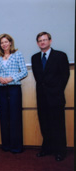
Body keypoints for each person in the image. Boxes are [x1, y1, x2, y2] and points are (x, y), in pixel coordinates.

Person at [31, 32, 70, 161]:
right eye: (40, 40)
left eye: (45, 40)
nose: (42, 42)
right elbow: (38, 78)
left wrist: (57, 90)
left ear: (50, 41)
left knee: (58, 125)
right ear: (37, 43)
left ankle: (60, 151)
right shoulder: (35, 57)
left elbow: (65, 76)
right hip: (41, 97)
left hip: (56, 97)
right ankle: (47, 149)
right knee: (45, 125)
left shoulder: (60, 55)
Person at [0, 34, 27, 153]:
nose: (4, 44)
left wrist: (11, 78)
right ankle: (6, 145)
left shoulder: (18, 54)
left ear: (10, 43)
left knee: (15, 117)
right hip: (2, 89)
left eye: (6, 42)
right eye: (2, 43)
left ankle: (16, 146)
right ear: (0, 45)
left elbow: (24, 72)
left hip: (14, 89)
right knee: (4, 117)